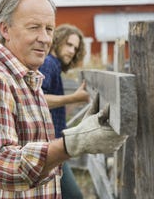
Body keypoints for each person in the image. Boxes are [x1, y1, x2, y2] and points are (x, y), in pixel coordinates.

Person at [0, 0, 127, 198]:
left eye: (49, 29)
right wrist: (73, 142)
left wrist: (80, 132)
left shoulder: (30, 80)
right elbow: (4, 166)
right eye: (34, 27)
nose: (45, 38)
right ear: (5, 29)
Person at [39, 24, 89, 199]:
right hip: (48, 147)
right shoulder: (48, 64)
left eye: (75, 48)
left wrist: (76, 100)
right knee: (74, 196)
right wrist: (74, 98)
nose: (71, 51)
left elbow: (54, 110)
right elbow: (38, 101)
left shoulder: (54, 67)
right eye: (68, 44)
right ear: (57, 41)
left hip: (52, 146)